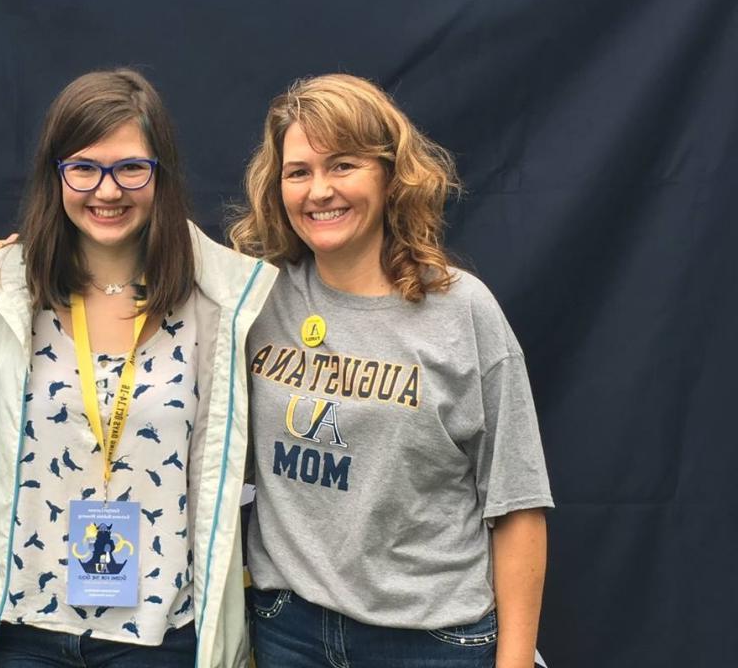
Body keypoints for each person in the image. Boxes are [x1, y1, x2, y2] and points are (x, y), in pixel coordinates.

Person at [0, 69, 278, 668]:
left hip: (162, 636)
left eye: (131, 168)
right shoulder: (1, 295)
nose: (107, 190)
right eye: (84, 167)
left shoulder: (221, 303)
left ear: (162, 173)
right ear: (56, 175)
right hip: (24, 630)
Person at [229, 74, 552, 668]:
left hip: (431, 641)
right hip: (288, 632)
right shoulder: (254, 298)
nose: (319, 190)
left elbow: (519, 505)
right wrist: (21, 267)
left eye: (343, 165)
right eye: (298, 171)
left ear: (389, 174)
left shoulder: (462, 311)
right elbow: (131, 270)